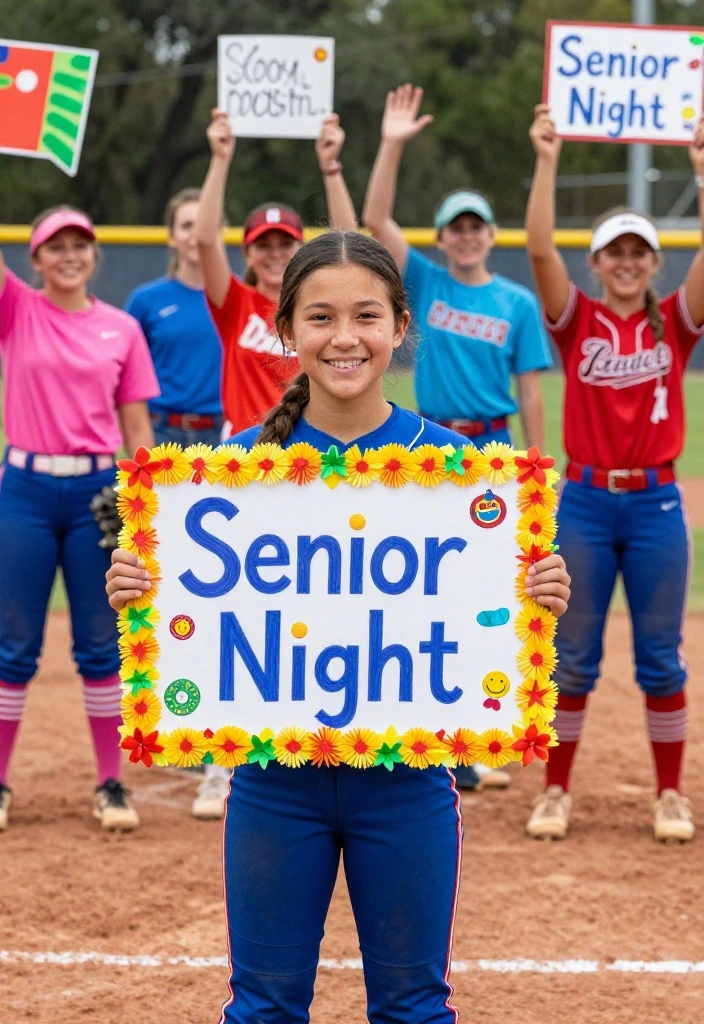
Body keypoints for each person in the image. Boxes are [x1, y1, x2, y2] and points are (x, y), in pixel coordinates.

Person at [106, 231, 571, 1022]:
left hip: (408, 789)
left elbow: (485, 602)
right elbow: (194, 603)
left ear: (400, 326)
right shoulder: (235, 470)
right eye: (320, 317)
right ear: (287, 331)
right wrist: (143, 582)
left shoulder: (462, 470)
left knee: (414, 1006)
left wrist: (537, 585)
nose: (345, 338)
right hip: (273, 787)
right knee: (263, 1006)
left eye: (367, 316)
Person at [363, 83, 554, 789]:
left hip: (496, 446)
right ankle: (426, 727)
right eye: (456, 227)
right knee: (421, 585)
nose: (467, 236)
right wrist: (392, 143)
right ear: (442, 238)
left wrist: (535, 465)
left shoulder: (516, 302)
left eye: (476, 226)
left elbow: (531, 385)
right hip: (427, 449)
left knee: (486, 590)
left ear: (490, 234)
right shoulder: (425, 282)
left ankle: (472, 730)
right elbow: (376, 216)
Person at [524, 105, 704, 843]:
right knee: (573, 658)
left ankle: (669, 795)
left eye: (638, 251)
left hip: (656, 503)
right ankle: (556, 791)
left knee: (661, 659)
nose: (627, 261)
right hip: (588, 505)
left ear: (653, 261)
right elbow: (538, 253)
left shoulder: (677, 318)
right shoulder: (580, 321)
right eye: (614, 252)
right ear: (597, 262)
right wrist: (546, 160)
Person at [0, 205, 159, 832]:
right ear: (33, 259)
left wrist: (141, 503)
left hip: (97, 489)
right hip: (26, 490)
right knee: (14, 645)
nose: (69, 254)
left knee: (100, 643)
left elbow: (137, 426)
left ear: (95, 255)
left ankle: (110, 783)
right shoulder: (17, 310)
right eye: (54, 246)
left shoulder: (120, 328)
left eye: (80, 244)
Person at [125, 188, 230, 821]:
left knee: (210, 583)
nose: (194, 235)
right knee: (160, 589)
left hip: (219, 439)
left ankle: (208, 716)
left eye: (203, 224)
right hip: (163, 437)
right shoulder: (146, 302)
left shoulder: (230, 295)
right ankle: (173, 710)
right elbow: (125, 385)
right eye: (185, 225)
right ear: (170, 235)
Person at [196, 109, 358, 439]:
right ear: (247, 253)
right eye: (263, 244)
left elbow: (349, 244)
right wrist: (220, 158)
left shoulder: (318, 308)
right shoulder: (235, 302)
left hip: (307, 448)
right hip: (244, 452)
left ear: (302, 248)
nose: (274, 254)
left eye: (285, 244)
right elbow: (204, 239)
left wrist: (331, 167)